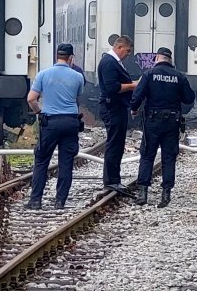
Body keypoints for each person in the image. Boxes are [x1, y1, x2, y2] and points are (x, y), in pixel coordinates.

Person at [130, 47, 195, 208]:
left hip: (152, 121)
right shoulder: (179, 76)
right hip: (172, 121)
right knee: (169, 157)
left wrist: (134, 108)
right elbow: (189, 99)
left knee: (147, 155)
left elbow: (137, 95)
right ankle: (166, 194)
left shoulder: (149, 74)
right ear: (170, 60)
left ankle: (142, 193)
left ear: (157, 58)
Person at [25, 43, 85, 210]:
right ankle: (60, 201)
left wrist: (39, 112)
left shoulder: (43, 74)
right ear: (71, 58)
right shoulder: (78, 77)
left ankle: (35, 200)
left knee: (42, 160)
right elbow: (77, 99)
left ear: (57, 56)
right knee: (66, 162)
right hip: (70, 122)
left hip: (50, 122)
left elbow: (31, 99)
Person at [97, 35, 138, 196]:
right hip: (111, 107)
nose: (128, 54)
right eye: (127, 51)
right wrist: (133, 85)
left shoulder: (114, 62)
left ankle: (114, 178)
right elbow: (112, 87)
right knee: (114, 143)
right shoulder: (109, 63)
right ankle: (111, 180)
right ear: (119, 47)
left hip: (116, 107)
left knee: (118, 143)